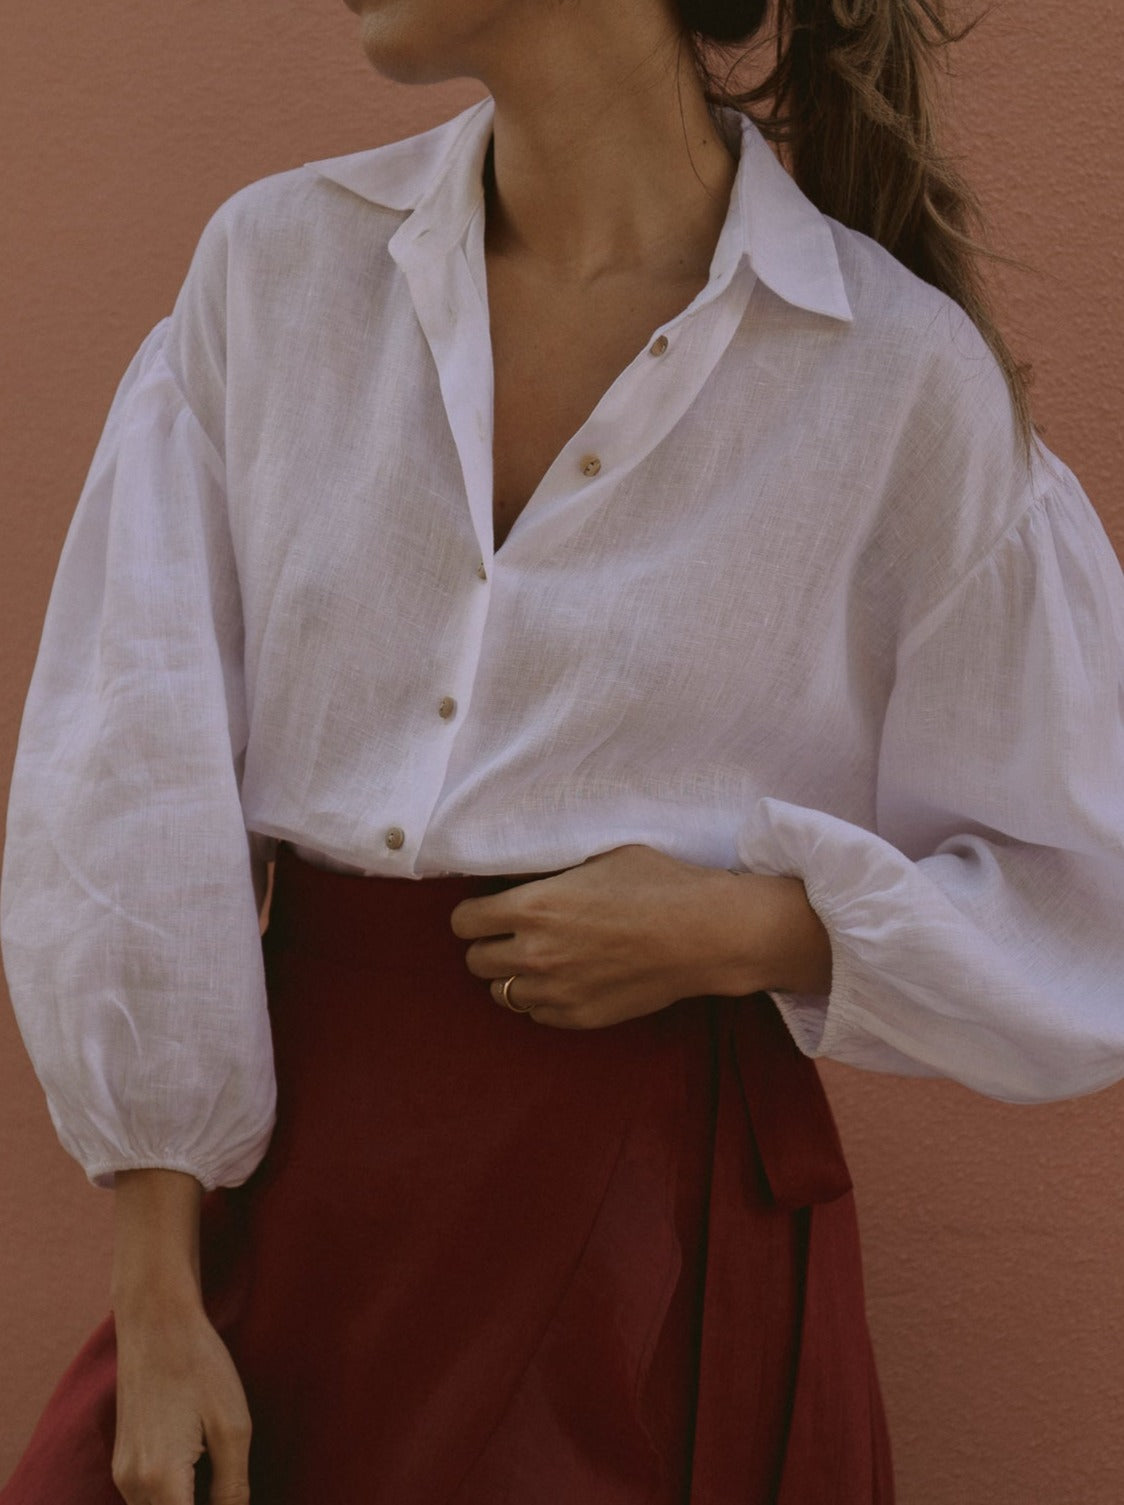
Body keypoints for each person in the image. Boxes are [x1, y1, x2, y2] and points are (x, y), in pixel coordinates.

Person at [2, 0, 1123, 1500]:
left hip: (646, 1229)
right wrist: (156, 1290)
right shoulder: (280, 271)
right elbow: (132, 765)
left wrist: (754, 927)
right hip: (301, 1180)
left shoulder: (894, 376)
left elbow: (1089, 892)